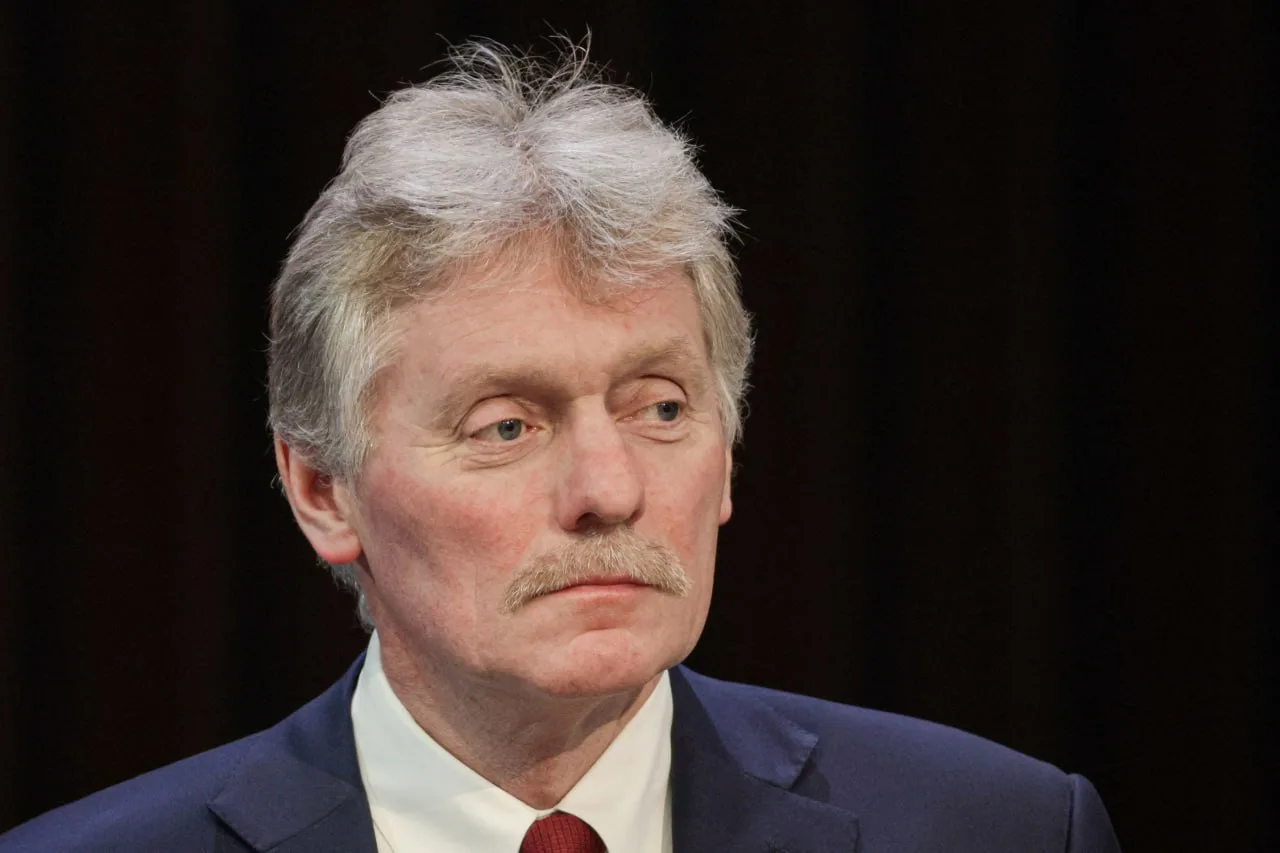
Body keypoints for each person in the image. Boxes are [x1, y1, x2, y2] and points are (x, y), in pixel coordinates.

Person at [0, 40, 1121, 853]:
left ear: (728, 449)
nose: (609, 488)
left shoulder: (1002, 828)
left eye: (660, 408)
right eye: (507, 425)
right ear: (321, 489)